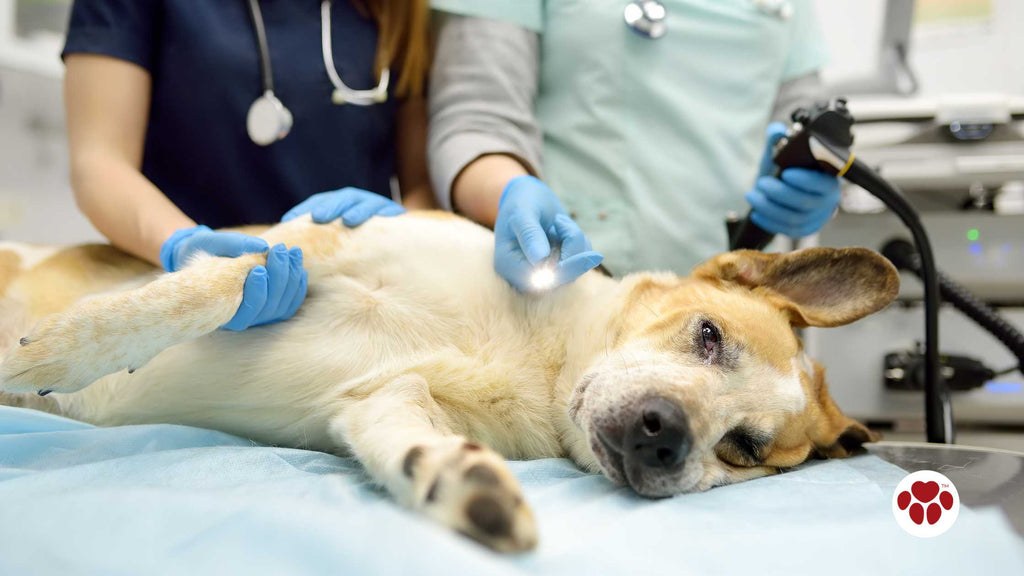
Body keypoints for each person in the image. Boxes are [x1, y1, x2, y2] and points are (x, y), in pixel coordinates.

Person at [63, 0, 432, 330]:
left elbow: (421, 184)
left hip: (346, 312)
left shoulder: (402, 9)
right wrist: (186, 249)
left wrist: (398, 229)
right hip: (177, 303)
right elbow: (99, 162)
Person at [428, 1, 840, 291]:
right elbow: (477, 118)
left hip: (735, 293)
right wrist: (511, 196)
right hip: (569, 284)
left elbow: (801, 112)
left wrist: (810, 177)